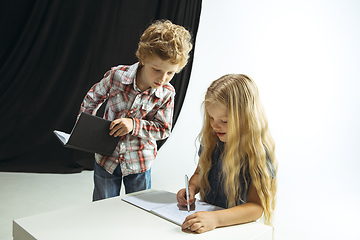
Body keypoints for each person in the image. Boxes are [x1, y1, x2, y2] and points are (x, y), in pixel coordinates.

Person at [79, 20, 193, 201]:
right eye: (156, 69)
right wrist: (87, 132)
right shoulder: (116, 76)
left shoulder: (167, 93)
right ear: (143, 59)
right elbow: (92, 99)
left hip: (140, 162)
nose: (163, 78)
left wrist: (134, 125)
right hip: (106, 159)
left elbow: (163, 129)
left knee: (139, 210)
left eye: (170, 73)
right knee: (102, 209)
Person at [177, 74, 277, 233]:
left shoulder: (258, 151)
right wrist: (191, 188)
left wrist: (215, 219)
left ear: (245, 118)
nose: (215, 126)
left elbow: (257, 207)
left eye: (224, 121)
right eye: (211, 117)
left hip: (236, 229)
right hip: (208, 225)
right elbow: (200, 173)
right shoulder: (211, 139)